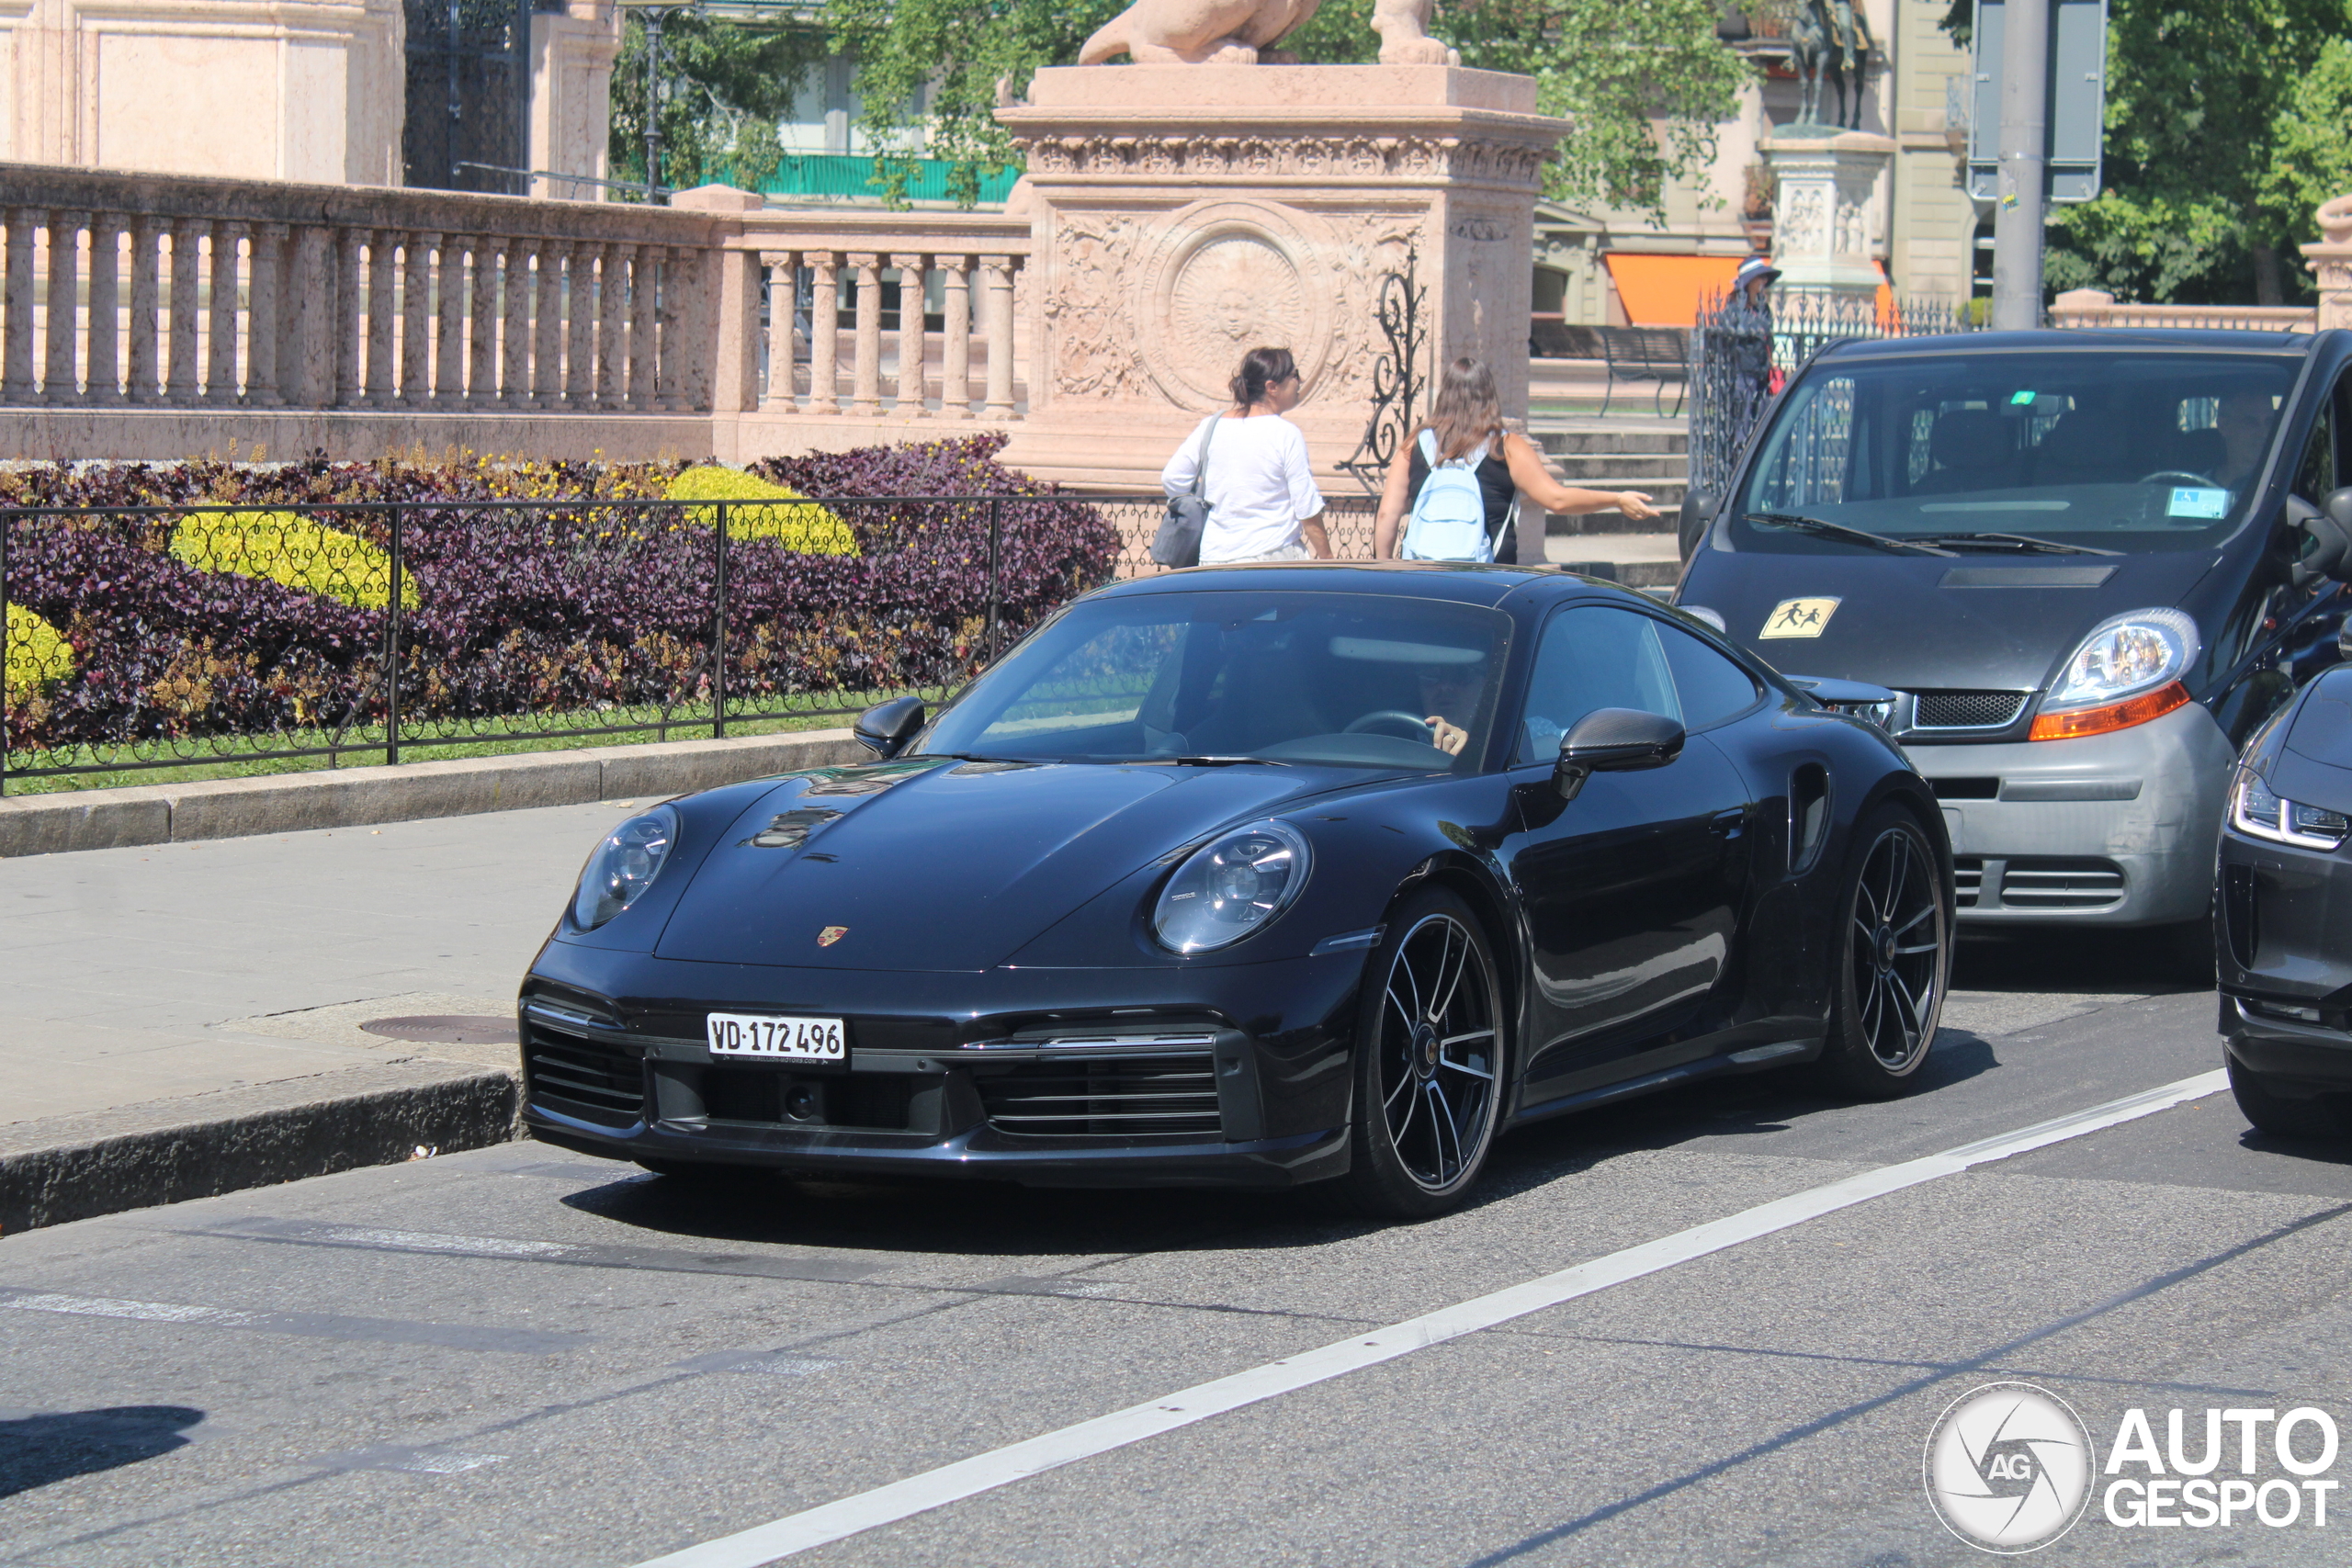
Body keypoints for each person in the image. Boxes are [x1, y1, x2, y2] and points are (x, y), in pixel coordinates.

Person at [1374, 356, 1660, 563]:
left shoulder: (1415, 444)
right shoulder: (1506, 446)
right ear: (1488, 396)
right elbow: (1557, 500)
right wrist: (1616, 499)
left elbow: (1388, 514)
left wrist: (1385, 566)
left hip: (1422, 571)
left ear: (1445, 395)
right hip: (1489, 580)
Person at [1160, 346, 1333, 564]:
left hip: (1215, 557)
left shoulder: (1211, 426)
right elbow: (1305, 506)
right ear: (1272, 387)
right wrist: (1328, 558)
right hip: (1271, 556)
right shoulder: (1285, 433)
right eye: (1294, 375)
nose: (1300, 381)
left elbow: (1172, 478)